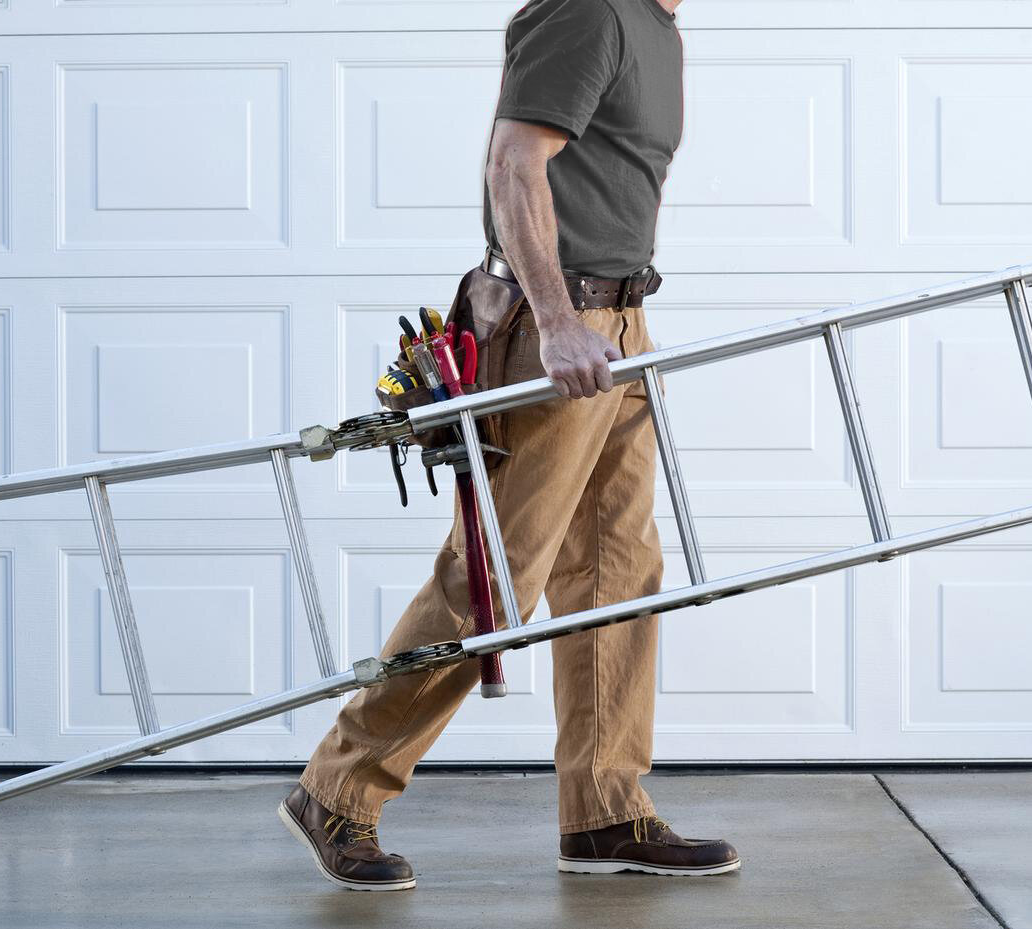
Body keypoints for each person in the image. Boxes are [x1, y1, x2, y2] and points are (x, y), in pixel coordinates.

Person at [278, 0, 740, 890]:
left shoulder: (657, 25)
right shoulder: (590, 10)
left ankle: (605, 809)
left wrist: (609, 319)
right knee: (493, 577)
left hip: (623, 323)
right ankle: (337, 789)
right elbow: (513, 162)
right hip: (554, 325)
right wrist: (561, 321)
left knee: (615, 570)